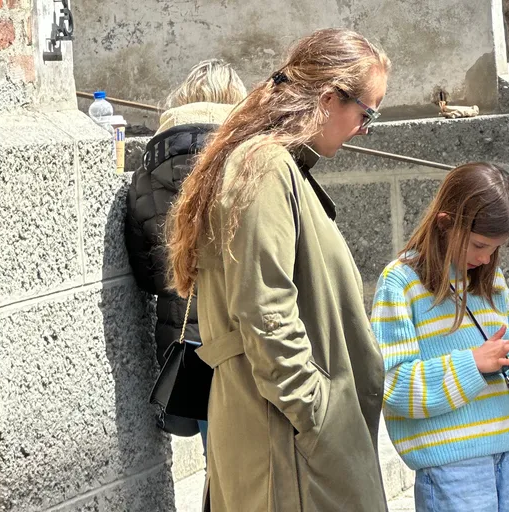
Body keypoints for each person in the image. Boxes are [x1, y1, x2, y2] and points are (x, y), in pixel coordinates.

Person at [165, 29, 390, 511]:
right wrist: (313, 412)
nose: (365, 128)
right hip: (284, 442)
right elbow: (265, 309)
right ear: (329, 99)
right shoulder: (266, 165)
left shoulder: (278, 164)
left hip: (290, 437)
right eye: (367, 112)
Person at [371, 163, 509, 512]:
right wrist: (473, 363)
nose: (485, 258)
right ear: (444, 223)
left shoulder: (490, 280)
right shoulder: (401, 282)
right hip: (452, 467)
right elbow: (393, 387)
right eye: (478, 244)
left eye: (495, 248)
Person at [124, 59, 247, 448]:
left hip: (186, 339)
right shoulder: (250, 158)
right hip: (244, 332)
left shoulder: (147, 170)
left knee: (220, 462)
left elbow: (148, 273)